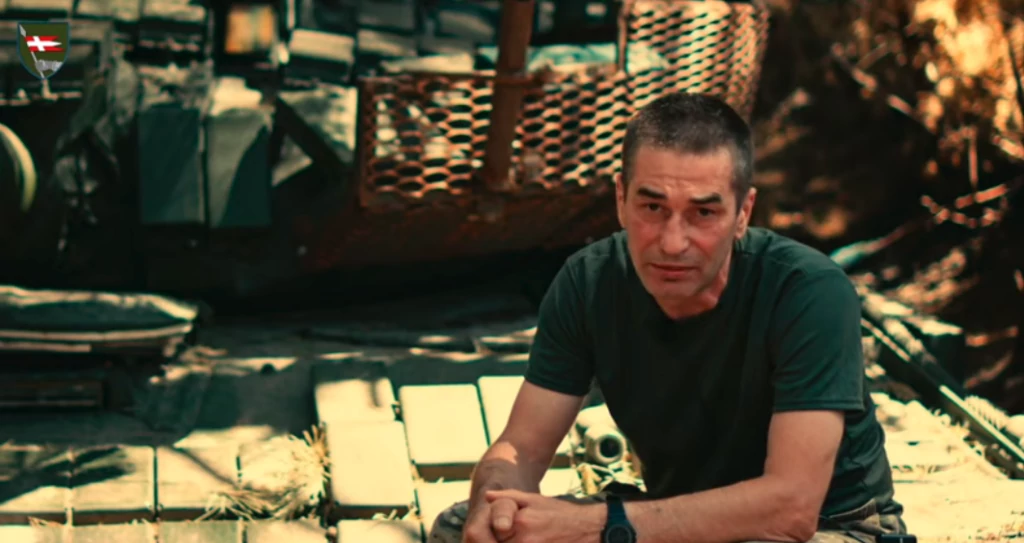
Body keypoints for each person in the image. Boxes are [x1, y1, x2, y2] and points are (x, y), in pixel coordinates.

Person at [429, 92, 908, 543]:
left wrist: (597, 525)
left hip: (831, 527)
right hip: (677, 518)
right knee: (460, 527)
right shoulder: (588, 282)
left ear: (743, 213)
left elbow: (791, 507)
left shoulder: (808, 291)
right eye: (653, 207)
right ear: (621, 199)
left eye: (703, 213)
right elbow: (522, 447)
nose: (673, 243)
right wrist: (497, 503)